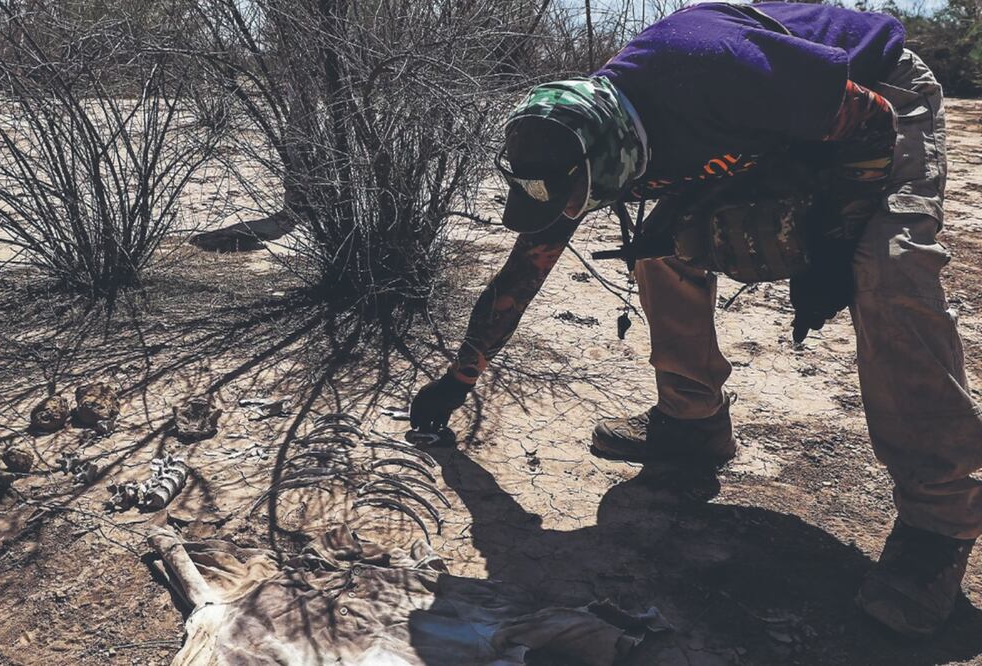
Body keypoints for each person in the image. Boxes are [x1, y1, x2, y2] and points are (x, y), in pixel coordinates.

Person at [409, 1, 981, 638]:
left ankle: (940, 519)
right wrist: (457, 382)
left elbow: (870, 123)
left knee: (889, 269)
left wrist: (838, 240)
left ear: (626, 154)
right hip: (772, 121)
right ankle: (691, 420)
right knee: (658, 246)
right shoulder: (576, 134)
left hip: (872, 96)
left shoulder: (714, 69)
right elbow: (525, 268)